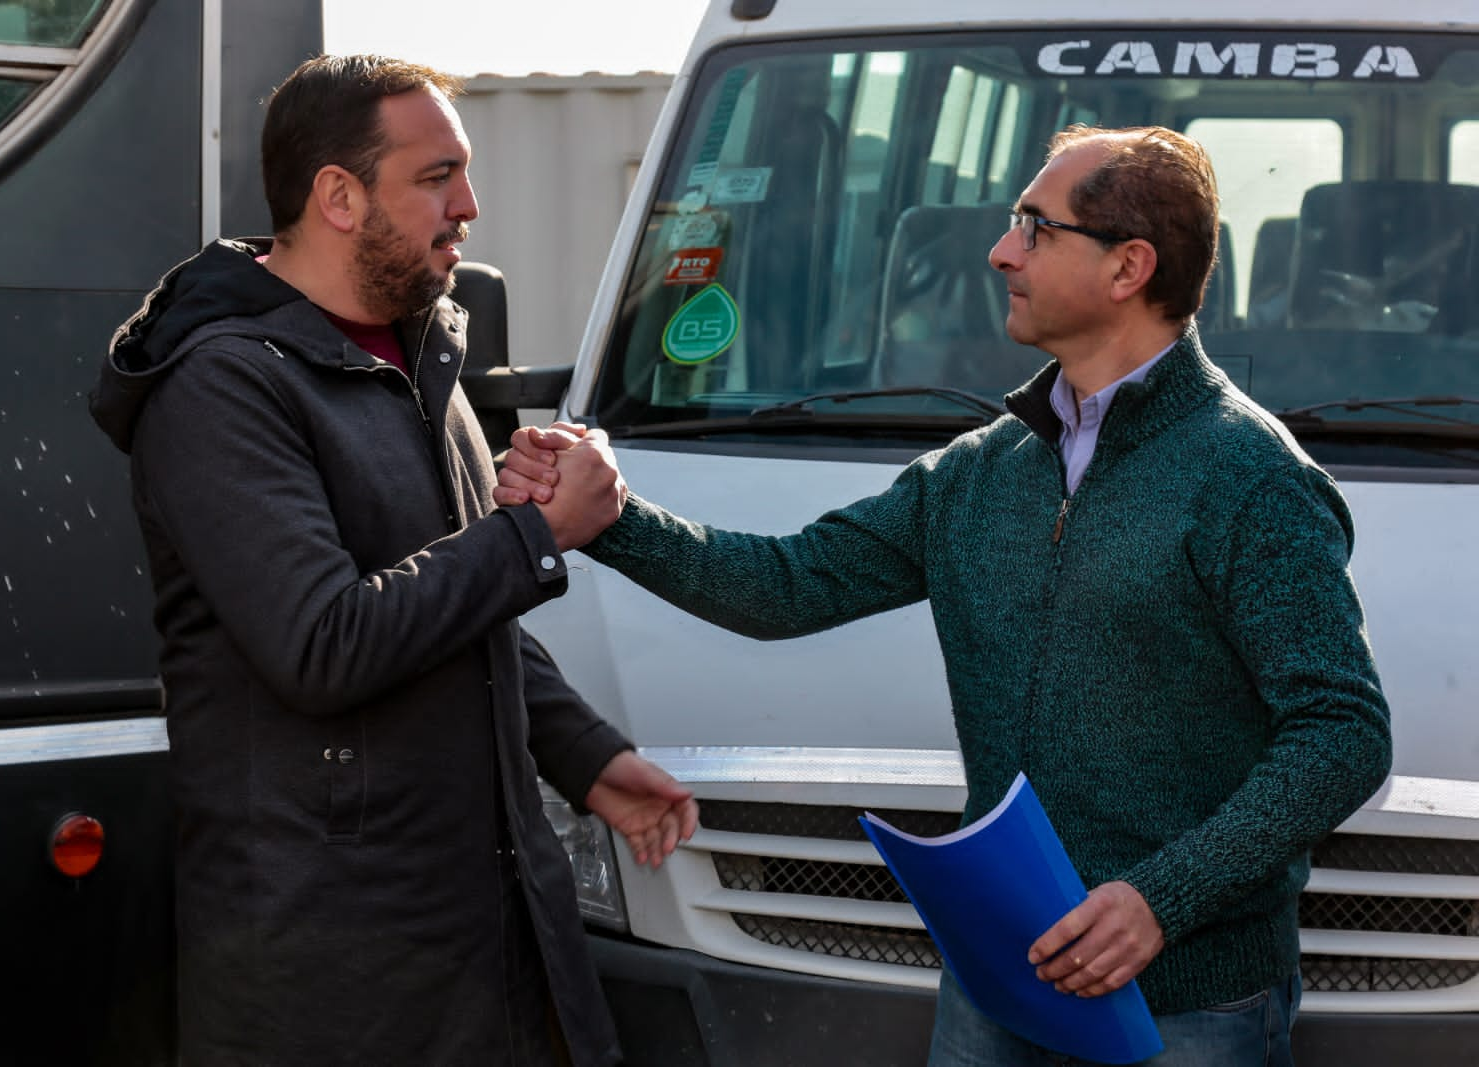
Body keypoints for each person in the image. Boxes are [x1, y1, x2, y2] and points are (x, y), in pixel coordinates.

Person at [495, 126, 1392, 1066]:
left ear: (1129, 266)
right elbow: (786, 585)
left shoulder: (1249, 476)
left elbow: (1342, 732)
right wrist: (612, 516)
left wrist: (1160, 900)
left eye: (1036, 228)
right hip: (996, 985)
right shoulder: (980, 472)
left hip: (1187, 1010)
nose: (1002, 251)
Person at [89, 54, 696, 1066]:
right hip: (336, 980)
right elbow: (323, 642)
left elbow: (451, 615)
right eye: (435, 177)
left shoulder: (416, 355)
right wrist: (536, 533)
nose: (468, 205)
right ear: (337, 194)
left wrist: (583, 754)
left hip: (485, 946)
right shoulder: (222, 387)